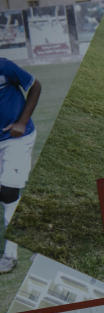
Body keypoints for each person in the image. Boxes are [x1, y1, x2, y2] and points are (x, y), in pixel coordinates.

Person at [0, 57, 41, 274]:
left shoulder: (3, 66)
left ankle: (10, 255)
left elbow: (35, 85)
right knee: (7, 194)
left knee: (8, 191)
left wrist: (22, 122)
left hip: (18, 137)